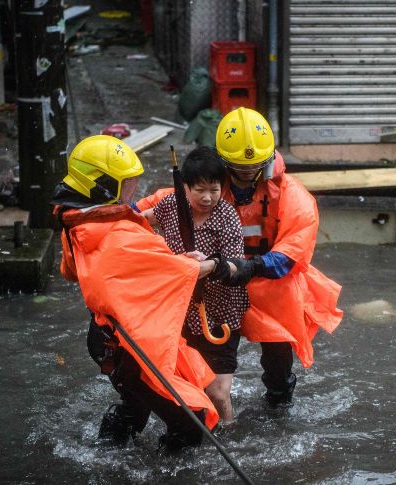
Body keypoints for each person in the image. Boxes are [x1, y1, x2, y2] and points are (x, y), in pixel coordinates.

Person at [138, 107, 344, 409]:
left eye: (254, 168)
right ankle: (206, 406)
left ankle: (278, 401)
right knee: (202, 362)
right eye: (239, 169)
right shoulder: (209, 188)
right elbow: (152, 208)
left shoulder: (293, 196)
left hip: (271, 286)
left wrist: (245, 267)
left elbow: (290, 256)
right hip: (216, 288)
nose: (247, 175)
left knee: (277, 361)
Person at [50, 134, 221, 451]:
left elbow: (74, 272)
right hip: (127, 346)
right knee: (190, 420)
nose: (134, 192)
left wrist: (174, 263)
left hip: (105, 337)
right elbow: (155, 268)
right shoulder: (118, 232)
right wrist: (210, 265)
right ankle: (166, 470)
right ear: (103, 185)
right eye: (126, 184)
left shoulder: (78, 224)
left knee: (136, 406)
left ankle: (106, 456)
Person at [140, 145, 248, 423]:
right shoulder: (170, 206)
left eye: (214, 189)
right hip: (181, 312)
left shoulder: (227, 217)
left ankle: (228, 430)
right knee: (186, 385)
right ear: (185, 187)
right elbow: (141, 221)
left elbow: (236, 264)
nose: (208, 197)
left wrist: (204, 266)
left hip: (220, 315)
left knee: (218, 392)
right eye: (200, 189)